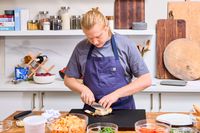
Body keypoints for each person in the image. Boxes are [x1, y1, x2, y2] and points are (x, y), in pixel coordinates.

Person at [64, 7, 152, 110]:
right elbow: (68, 79)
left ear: (106, 27)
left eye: (98, 36)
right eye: (90, 38)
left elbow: (146, 80)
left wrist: (116, 94)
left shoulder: (125, 44)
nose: (95, 42)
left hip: (124, 110)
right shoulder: (81, 47)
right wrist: (83, 89)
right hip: (93, 109)